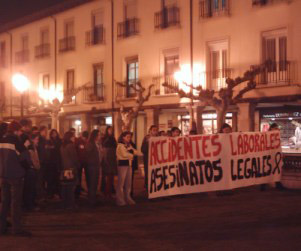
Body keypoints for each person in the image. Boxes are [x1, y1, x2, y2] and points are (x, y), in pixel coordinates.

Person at [0, 121, 32, 236]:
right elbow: (24, 157)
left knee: (4, 202)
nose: (20, 133)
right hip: (15, 175)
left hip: (3, 175)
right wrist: (28, 168)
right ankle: (16, 229)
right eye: (19, 131)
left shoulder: (2, 140)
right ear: (16, 130)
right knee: (15, 203)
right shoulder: (16, 141)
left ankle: (1, 227)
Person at [260, 123, 285, 191]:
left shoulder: (277, 136)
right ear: (271, 128)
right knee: (267, 170)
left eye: (277, 128)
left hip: (275, 155)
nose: (277, 130)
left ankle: (277, 184)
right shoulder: (266, 135)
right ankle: (263, 185)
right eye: (275, 128)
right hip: (268, 155)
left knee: (276, 169)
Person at [116, 131, 138, 206]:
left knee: (128, 183)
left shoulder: (128, 145)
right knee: (121, 183)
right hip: (122, 165)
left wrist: (130, 151)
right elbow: (124, 154)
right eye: (128, 137)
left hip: (129, 165)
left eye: (130, 137)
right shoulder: (120, 145)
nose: (129, 138)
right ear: (123, 137)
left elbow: (136, 152)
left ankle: (127, 198)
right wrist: (131, 154)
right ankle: (120, 200)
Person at [60, 131, 79, 209]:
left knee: (65, 186)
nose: (74, 138)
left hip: (65, 168)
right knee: (71, 187)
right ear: (70, 137)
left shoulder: (62, 146)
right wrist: (78, 165)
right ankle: (71, 204)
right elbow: (74, 157)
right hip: (71, 168)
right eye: (73, 136)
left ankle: (65, 203)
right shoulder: (71, 146)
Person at [85, 129, 103, 206]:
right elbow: (87, 154)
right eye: (99, 135)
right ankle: (91, 201)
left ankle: (93, 199)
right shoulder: (90, 144)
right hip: (92, 166)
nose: (100, 136)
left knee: (95, 182)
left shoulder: (98, 144)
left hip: (97, 165)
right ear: (95, 136)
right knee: (92, 183)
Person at [102, 126, 117, 200]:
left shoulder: (113, 138)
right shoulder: (105, 139)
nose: (111, 131)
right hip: (108, 160)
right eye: (109, 129)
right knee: (108, 178)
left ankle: (109, 192)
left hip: (112, 159)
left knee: (111, 178)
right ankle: (107, 193)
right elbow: (105, 150)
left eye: (112, 129)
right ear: (107, 130)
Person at [141, 125, 158, 190]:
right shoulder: (146, 138)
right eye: (154, 130)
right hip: (148, 159)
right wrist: (147, 143)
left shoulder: (159, 138)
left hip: (156, 160)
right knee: (148, 173)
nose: (155, 132)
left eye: (156, 130)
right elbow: (142, 149)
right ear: (150, 131)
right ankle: (148, 186)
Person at [46, 129, 62, 198]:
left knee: (57, 177)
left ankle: (57, 192)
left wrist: (53, 147)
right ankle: (51, 192)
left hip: (58, 161)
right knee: (51, 177)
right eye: (52, 133)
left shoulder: (59, 141)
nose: (54, 135)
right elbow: (47, 148)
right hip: (51, 162)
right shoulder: (49, 141)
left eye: (55, 133)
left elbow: (58, 148)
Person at [75, 130, 89, 199]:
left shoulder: (86, 142)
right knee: (78, 176)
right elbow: (79, 152)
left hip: (84, 162)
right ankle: (77, 191)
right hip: (79, 162)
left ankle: (80, 189)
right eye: (85, 138)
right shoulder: (78, 141)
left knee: (84, 177)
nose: (85, 139)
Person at [129, 132, 138, 198]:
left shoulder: (133, 144)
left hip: (131, 165)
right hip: (125, 165)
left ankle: (130, 192)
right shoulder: (122, 144)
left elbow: (135, 155)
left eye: (130, 137)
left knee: (131, 179)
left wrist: (135, 166)